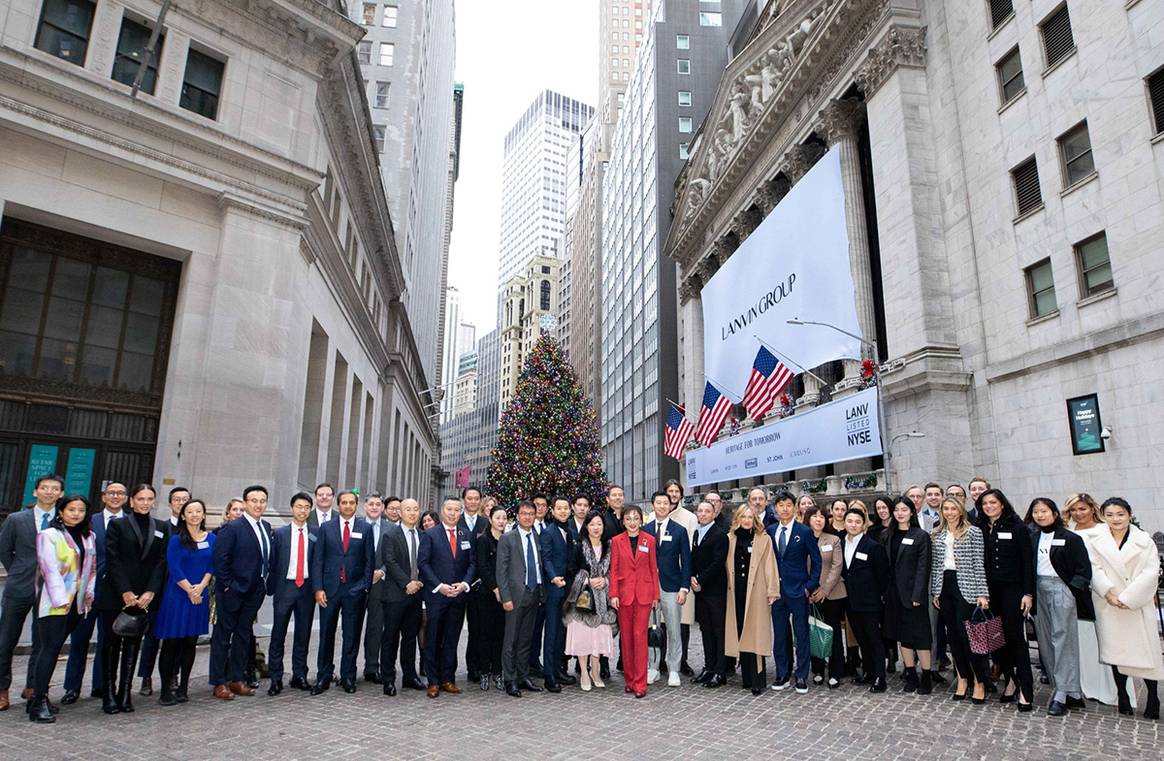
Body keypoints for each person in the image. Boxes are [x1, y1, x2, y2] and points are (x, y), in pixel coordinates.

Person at [94, 483, 167, 714]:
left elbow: (161, 562)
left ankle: (125, 693)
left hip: (145, 597)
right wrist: (125, 591)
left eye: (149, 499)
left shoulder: (162, 527)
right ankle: (109, 693)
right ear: (132, 501)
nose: (145, 503)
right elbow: (112, 559)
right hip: (116, 595)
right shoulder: (118, 524)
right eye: (140, 498)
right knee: (111, 644)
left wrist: (150, 591)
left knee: (134, 644)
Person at [1087, 497, 1162, 720]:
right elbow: (1094, 568)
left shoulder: (1144, 540)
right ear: (1102, 516)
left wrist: (1128, 598)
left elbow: (1151, 571)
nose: (1115, 519)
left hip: (1137, 603)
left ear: (1129, 514)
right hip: (1108, 601)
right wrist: (1109, 593)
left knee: (1146, 651)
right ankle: (1122, 695)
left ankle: (1152, 696)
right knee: (1116, 651)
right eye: (1109, 515)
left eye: (1120, 514)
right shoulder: (1095, 539)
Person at [27, 495, 96, 723]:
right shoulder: (49, 535)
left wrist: (89, 594)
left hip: (77, 604)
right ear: (61, 511)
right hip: (55, 603)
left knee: (56, 650)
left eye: (81, 510)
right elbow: (48, 568)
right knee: (49, 649)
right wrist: (60, 599)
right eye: (71, 509)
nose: (76, 514)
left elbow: (91, 568)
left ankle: (41, 696)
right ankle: (37, 702)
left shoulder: (89, 536)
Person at [0, 473, 62, 712]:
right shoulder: (17, 519)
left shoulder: (63, 520)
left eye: (54, 489)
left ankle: (34, 686)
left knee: (43, 640)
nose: (49, 492)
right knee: (6, 639)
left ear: (60, 494)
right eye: (44, 488)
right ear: (35, 492)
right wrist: (18, 570)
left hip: (51, 590)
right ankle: (3, 689)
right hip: (20, 586)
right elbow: (4, 550)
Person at [1024, 497, 1091, 716]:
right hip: (1038, 589)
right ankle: (1066, 688)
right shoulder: (1032, 537)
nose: (1040, 515)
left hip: (1062, 588)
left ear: (1054, 512)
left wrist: (1071, 589)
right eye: (1036, 512)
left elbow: (1083, 570)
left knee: (1063, 639)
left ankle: (1064, 691)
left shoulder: (1070, 538)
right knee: (1045, 640)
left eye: (1044, 511)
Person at [61, 481, 124, 706]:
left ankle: (101, 685)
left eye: (120, 493)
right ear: (104, 496)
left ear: (126, 498)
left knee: (108, 642)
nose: (115, 497)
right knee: (79, 641)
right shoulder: (90, 521)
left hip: (115, 594)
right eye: (111, 493)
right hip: (86, 592)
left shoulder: (129, 523)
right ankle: (72, 687)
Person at [210, 485, 271, 700]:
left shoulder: (266, 526)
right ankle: (219, 682)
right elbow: (220, 560)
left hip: (255, 593)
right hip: (232, 592)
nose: (258, 504)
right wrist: (228, 586)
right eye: (254, 500)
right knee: (222, 637)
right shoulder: (233, 528)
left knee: (243, 637)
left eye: (262, 500)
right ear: (245, 503)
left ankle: (237, 679)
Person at [309, 490, 373, 694]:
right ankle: (324, 676)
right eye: (343, 502)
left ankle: (348, 676)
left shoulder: (365, 528)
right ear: (338, 505)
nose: (347, 506)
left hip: (354, 590)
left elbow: (369, 561)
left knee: (351, 635)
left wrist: (364, 586)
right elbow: (318, 560)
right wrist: (318, 588)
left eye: (351, 502)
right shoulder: (326, 528)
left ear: (356, 505)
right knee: (326, 634)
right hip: (329, 590)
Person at [977, 488, 1035, 710]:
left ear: (1002, 504)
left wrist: (1028, 593)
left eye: (993, 502)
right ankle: (1011, 679)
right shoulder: (980, 528)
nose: (989, 507)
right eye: (985, 504)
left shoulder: (1017, 527)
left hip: (1013, 591)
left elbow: (1027, 562)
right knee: (997, 640)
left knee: (1015, 639)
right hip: (990, 591)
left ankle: (1026, 690)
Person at [930, 496, 990, 704]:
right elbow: (936, 566)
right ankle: (962, 678)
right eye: (945, 509)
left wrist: (982, 593)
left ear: (961, 510)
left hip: (968, 587)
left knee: (970, 637)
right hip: (945, 586)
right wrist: (936, 592)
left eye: (953, 508)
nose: (949, 512)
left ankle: (979, 680)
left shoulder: (973, 532)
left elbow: (978, 563)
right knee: (953, 636)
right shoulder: (937, 533)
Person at [154, 498, 213, 706]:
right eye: (190, 512)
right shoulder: (176, 540)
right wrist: (190, 589)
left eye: (199, 511)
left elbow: (212, 566)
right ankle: (165, 690)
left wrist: (201, 587)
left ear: (204, 515)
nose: (195, 515)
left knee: (190, 643)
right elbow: (174, 567)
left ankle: (183, 687)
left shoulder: (211, 538)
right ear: (183, 515)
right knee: (171, 643)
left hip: (199, 596)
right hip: (178, 596)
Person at [1062, 493, 1119, 705]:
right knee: (1084, 639)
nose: (1078, 514)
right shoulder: (1069, 532)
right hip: (1078, 592)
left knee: (1106, 640)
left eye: (1082, 509)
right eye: (1074, 510)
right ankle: (1089, 685)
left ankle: (1113, 688)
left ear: (1092, 509)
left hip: (1103, 592)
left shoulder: (1105, 530)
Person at [417, 497, 476, 698]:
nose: (452, 513)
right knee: (433, 638)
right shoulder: (430, 534)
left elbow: (472, 564)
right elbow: (423, 564)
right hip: (437, 596)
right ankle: (433, 681)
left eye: (456, 510)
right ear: (442, 511)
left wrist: (464, 585)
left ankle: (447, 679)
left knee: (452, 638)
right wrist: (440, 586)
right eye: (449, 509)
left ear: (460, 512)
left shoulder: (466, 535)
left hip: (458, 596)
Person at [137, 486, 188, 697]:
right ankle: (146, 678)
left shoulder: (192, 530)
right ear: (170, 503)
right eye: (177, 499)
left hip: (181, 593)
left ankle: (172, 675)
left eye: (185, 499)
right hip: (160, 590)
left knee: (176, 638)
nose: (180, 503)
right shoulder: (161, 527)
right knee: (152, 636)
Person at [768, 490, 821, 694]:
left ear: (795, 507)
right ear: (776, 508)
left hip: (799, 591)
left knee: (801, 634)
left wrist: (809, 586)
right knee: (780, 635)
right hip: (777, 593)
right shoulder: (770, 531)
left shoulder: (804, 532)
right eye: (781, 505)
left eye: (788, 505)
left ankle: (801, 675)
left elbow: (816, 562)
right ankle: (783, 673)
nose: (784, 509)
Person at [725, 504, 781, 696]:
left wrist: (772, 591)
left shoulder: (763, 539)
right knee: (741, 630)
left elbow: (770, 566)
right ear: (738, 519)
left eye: (750, 517)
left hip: (757, 592)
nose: (747, 520)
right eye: (743, 517)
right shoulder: (730, 539)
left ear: (755, 519)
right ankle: (746, 677)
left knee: (756, 633)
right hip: (736, 592)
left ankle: (758, 679)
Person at [881, 495, 933, 694]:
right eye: (897, 510)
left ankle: (926, 675)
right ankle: (910, 673)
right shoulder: (888, 535)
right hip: (893, 594)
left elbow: (923, 568)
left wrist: (918, 595)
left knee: (920, 635)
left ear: (911, 512)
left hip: (913, 595)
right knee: (903, 636)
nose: (900, 513)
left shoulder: (920, 536)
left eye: (904, 509)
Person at [266, 492, 317, 695]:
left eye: (306, 507)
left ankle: (299, 675)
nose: (302, 510)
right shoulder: (280, 534)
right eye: (298, 506)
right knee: (278, 634)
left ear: (310, 510)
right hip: (285, 587)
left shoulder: (316, 533)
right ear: (291, 508)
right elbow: (273, 562)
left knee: (303, 635)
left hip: (306, 588)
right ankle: (276, 678)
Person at [642, 490, 692, 688]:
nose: (662, 506)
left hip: (671, 587)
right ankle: (653, 666)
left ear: (670, 506)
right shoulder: (644, 530)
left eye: (666, 503)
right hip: (648, 587)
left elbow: (687, 562)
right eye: (658, 503)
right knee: (652, 628)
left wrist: (684, 588)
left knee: (673, 629)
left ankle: (673, 668)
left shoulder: (679, 530)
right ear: (653, 505)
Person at [376, 497, 426, 695]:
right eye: (408, 509)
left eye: (415, 509)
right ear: (401, 512)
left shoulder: (423, 535)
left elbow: (425, 562)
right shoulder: (391, 534)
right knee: (390, 638)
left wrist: (418, 583)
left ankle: (409, 676)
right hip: (395, 595)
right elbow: (390, 561)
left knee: (410, 637)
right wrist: (407, 583)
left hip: (416, 596)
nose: (412, 513)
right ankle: (388, 678)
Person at [565, 510, 618, 692]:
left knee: (599, 637)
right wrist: (587, 580)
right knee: (583, 636)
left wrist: (606, 580)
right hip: (584, 600)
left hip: (603, 599)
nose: (596, 528)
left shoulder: (610, 546)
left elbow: (615, 570)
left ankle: (595, 671)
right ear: (586, 526)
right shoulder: (578, 546)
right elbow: (571, 570)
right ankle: (584, 673)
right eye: (592, 524)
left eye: (599, 524)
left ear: (604, 527)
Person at [609, 505, 658, 698]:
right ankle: (629, 680)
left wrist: (655, 595)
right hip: (623, 594)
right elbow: (613, 570)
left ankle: (640, 683)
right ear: (623, 521)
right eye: (628, 518)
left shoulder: (650, 540)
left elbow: (653, 568)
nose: (632, 522)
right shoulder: (616, 541)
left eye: (635, 518)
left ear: (641, 520)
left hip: (644, 594)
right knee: (626, 638)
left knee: (640, 637)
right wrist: (613, 594)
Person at [496, 501, 544, 697]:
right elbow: (501, 570)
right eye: (523, 513)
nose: (527, 517)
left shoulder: (536, 536)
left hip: (533, 594)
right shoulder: (508, 538)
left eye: (531, 513)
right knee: (511, 640)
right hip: (515, 596)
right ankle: (510, 679)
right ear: (517, 515)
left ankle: (523, 676)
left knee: (526, 639)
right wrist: (505, 597)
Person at [841, 507, 889, 692]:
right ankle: (869, 672)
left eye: (857, 522)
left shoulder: (873, 546)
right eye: (850, 521)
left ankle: (879, 677)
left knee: (874, 639)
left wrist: (879, 598)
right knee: (861, 638)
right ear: (845, 523)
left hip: (870, 602)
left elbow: (883, 576)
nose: (853, 525)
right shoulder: (841, 543)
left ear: (864, 525)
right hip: (851, 602)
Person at [805, 505, 846, 688]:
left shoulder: (834, 539)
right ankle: (818, 669)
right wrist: (809, 589)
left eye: (822, 516)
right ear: (808, 519)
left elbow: (837, 567)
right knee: (815, 632)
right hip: (809, 594)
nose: (819, 519)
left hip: (833, 593)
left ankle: (836, 670)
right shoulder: (802, 538)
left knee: (833, 632)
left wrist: (824, 590)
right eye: (814, 516)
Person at [539, 496, 576, 690]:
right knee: (552, 631)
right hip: (554, 588)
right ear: (552, 511)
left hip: (567, 588)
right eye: (559, 508)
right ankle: (549, 675)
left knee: (562, 631)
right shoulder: (548, 532)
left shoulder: (569, 532)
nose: (563, 511)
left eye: (565, 508)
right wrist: (553, 577)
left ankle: (558, 670)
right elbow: (546, 559)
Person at [690, 500, 728, 688]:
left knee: (718, 631)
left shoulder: (720, 535)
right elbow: (694, 559)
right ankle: (709, 667)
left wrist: (700, 581)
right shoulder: (697, 533)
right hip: (700, 591)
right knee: (705, 630)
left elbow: (717, 563)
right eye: (700, 511)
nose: (703, 514)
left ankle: (720, 671)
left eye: (707, 511)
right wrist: (691, 578)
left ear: (714, 514)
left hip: (715, 591)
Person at [663, 478, 699, 676]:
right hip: (662, 578)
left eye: (677, 491)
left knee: (682, 623)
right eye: (670, 491)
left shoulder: (689, 517)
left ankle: (682, 660)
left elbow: (690, 550)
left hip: (682, 577)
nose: (673, 494)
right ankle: (661, 660)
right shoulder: (654, 515)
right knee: (662, 621)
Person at [473, 504, 508, 691]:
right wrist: (495, 588)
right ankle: (484, 672)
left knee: (500, 635)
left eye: (504, 518)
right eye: (498, 518)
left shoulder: (508, 539)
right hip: (487, 594)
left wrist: (503, 590)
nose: (501, 521)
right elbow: (482, 567)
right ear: (491, 519)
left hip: (505, 595)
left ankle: (498, 671)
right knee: (485, 634)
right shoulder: (483, 540)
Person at [458, 487, 488, 685]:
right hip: (457, 583)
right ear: (463, 500)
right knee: (452, 628)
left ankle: (475, 667)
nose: (473, 502)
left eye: (476, 498)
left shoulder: (485, 522)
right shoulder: (454, 521)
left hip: (479, 585)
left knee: (478, 629)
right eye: (469, 498)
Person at [362, 492, 388, 684]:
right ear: (365, 506)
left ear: (382, 508)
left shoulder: (390, 529)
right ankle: (349, 669)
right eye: (371, 504)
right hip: (356, 585)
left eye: (378, 504)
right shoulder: (356, 525)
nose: (374, 507)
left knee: (375, 627)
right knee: (352, 628)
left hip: (380, 584)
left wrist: (382, 571)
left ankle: (372, 667)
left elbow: (394, 555)